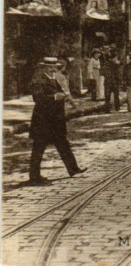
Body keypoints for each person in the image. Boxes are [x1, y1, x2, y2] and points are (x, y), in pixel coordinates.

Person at [28, 57, 86, 185]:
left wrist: (64, 98)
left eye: (54, 66)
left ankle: (73, 169)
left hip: (56, 120)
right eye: (51, 66)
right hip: (43, 120)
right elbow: (38, 98)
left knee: (63, 144)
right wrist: (55, 97)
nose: (53, 69)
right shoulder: (39, 80)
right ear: (45, 67)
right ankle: (34, 177)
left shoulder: (54, 79)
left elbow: (59, 93)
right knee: (39, 148)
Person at [103, 48, 122, 113]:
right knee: (116, 96)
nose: (116, 59)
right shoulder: (116, 65)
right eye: (116, 58)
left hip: (107, 82)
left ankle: (107, 109)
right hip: (114, 82)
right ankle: (117, 108)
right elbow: (118, 74)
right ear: (113, 58)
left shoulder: (106, 64)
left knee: (107, 97)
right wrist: (119, 81)